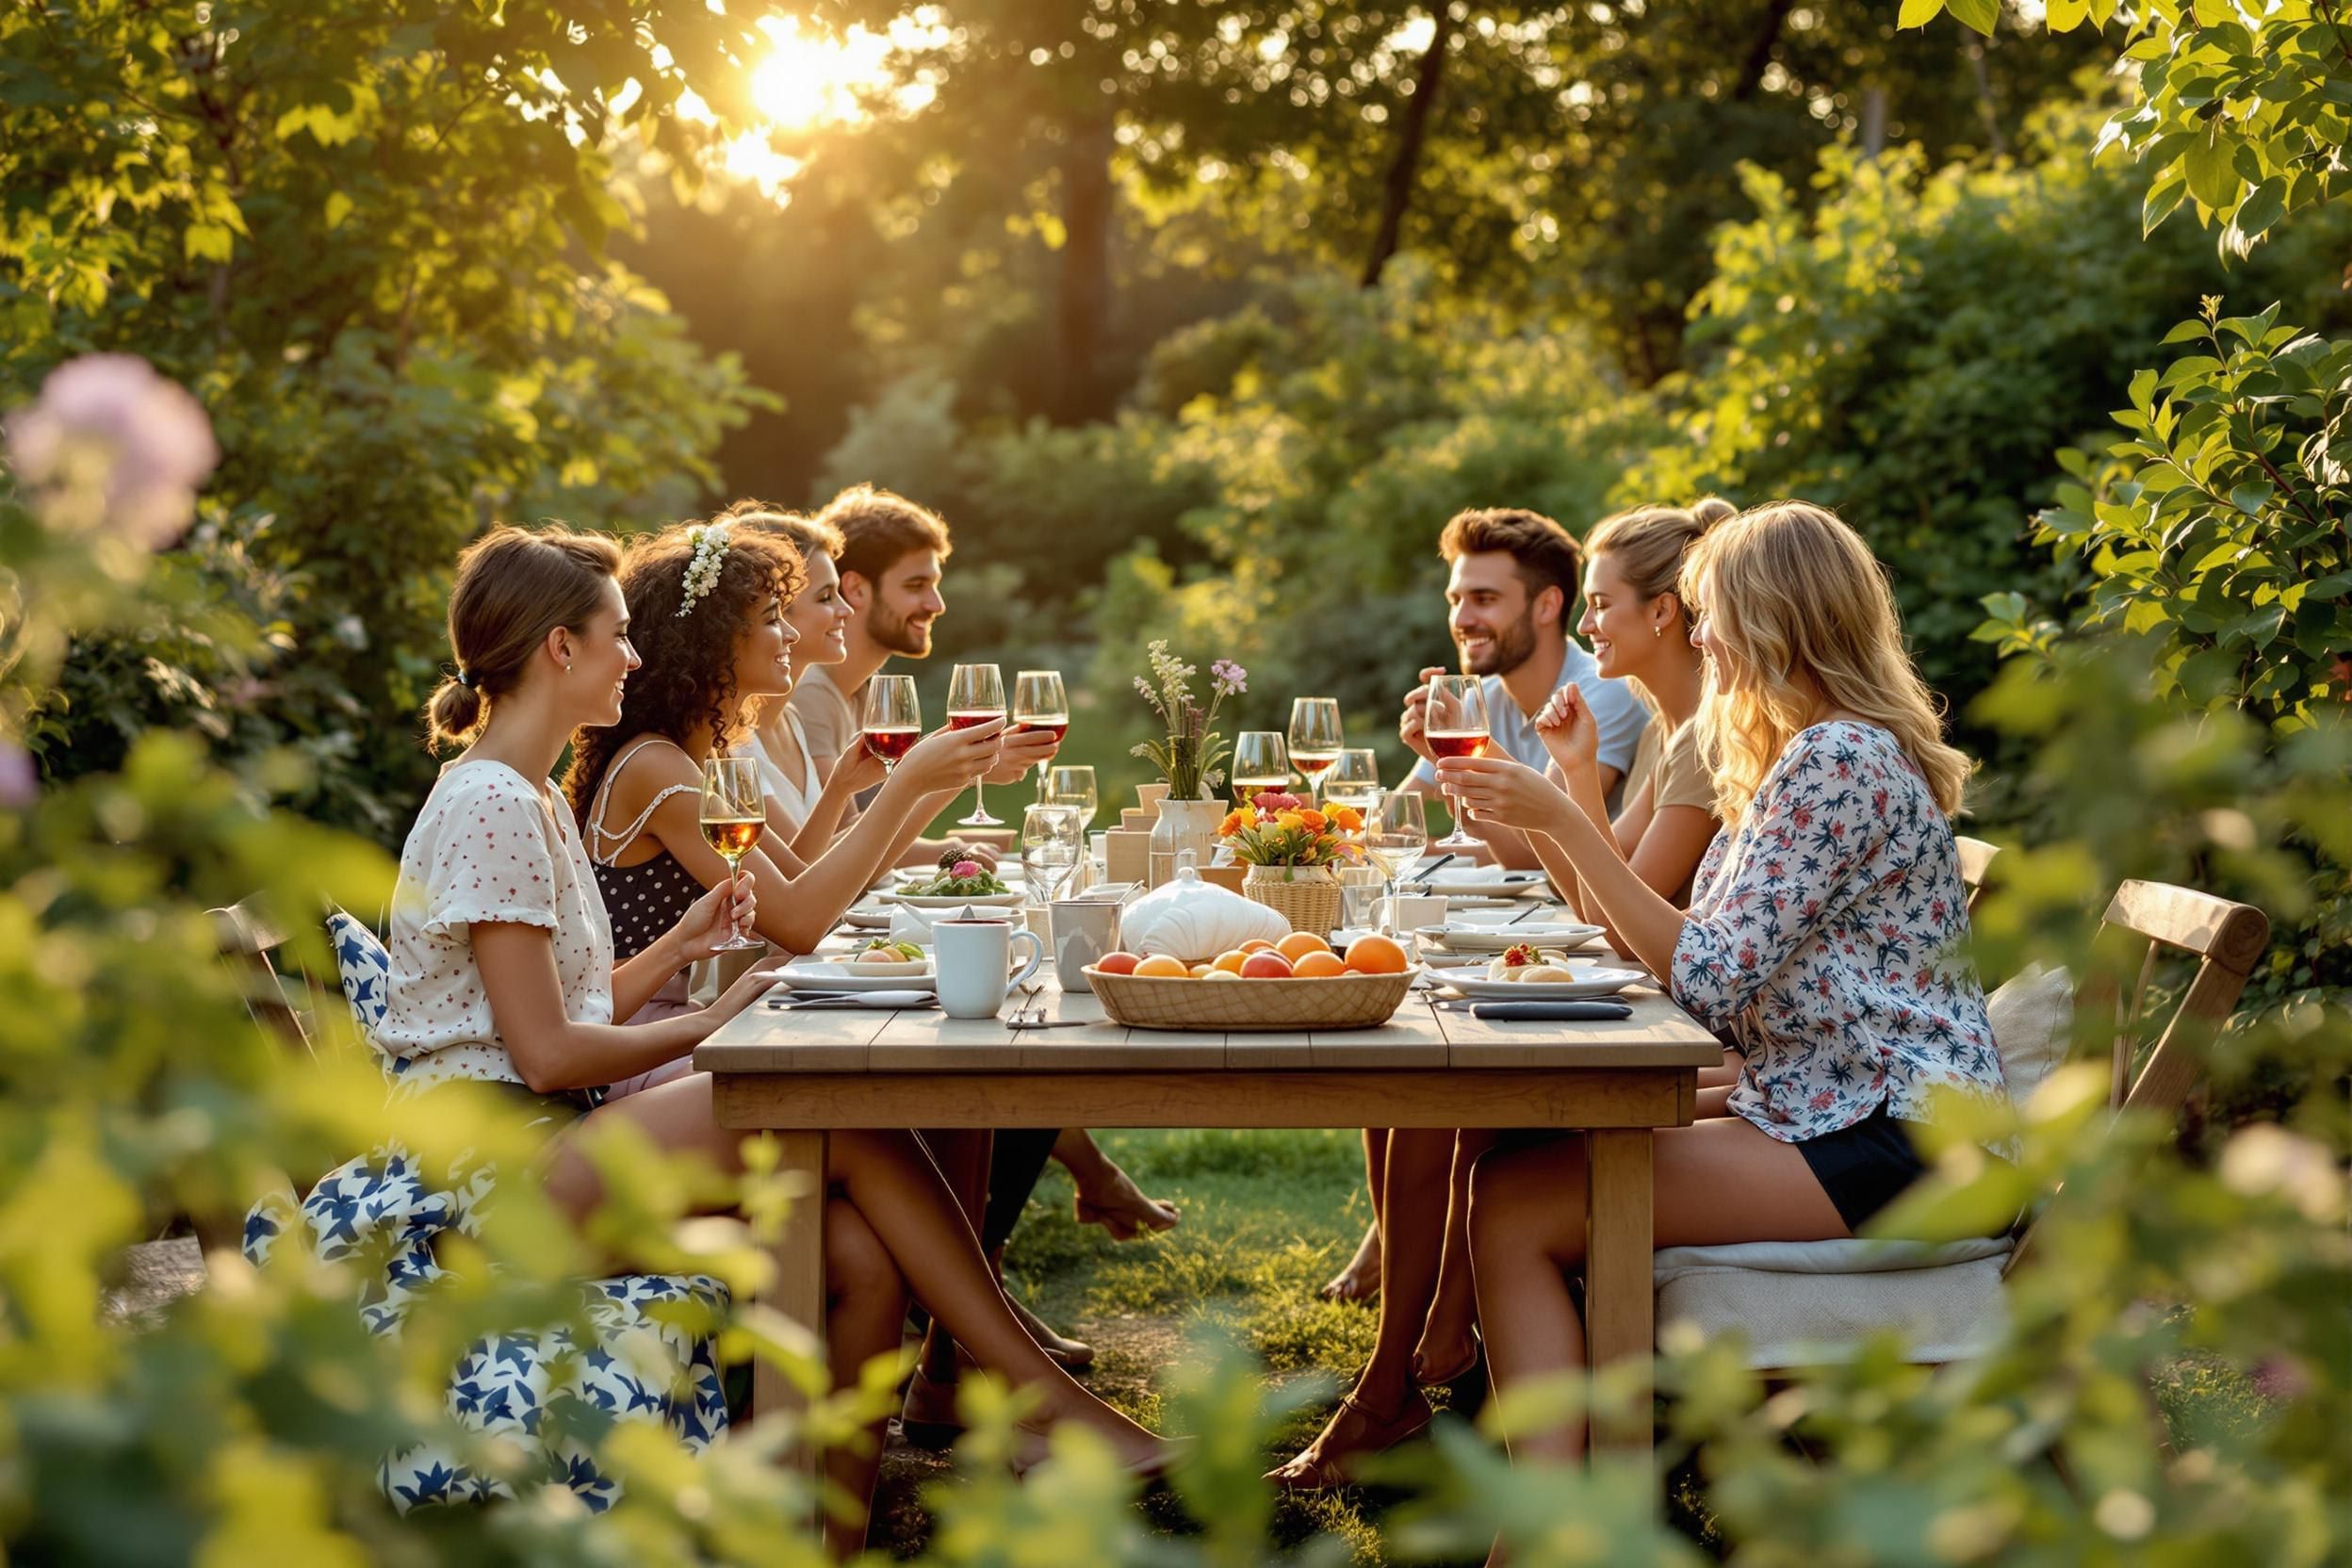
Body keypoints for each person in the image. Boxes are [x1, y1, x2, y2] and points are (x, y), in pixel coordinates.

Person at [389, 523, 1171, 1556]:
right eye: (618, 636)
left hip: (549, 1137)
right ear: (558, 649)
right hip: (491, 1173)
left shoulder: (523, 789)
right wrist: (714, 1019)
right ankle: (1038, 1406)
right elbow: (543, 1055)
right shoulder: (493, 799)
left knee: (856, 1254)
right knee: (841, 1116)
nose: (636, 654)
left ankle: (806, 1541)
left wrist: (676, 947)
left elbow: (572, 1004)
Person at [1435, 500, 2009, 1489]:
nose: (1698, 635)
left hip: (1899, 1137)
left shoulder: (1835, 761)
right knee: (1516, 1156)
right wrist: (1575, 785)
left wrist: (1564, 825)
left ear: (1771, 618)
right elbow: (1686, 955)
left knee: (1517, 1204)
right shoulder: (1812, 752)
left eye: (1710, 614)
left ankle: (1555, 1530)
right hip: (1834, 1099)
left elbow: (1699, 978)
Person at [1319, 508, 1651, 1303]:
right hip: (1528, 933)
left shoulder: (1603, 698)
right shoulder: (1482, 694)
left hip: (1585, 955)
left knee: (1413, 1043)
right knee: (1388, 1039)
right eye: (1456, 597)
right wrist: (1327, 832)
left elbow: (1541, 854)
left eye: (1484, 598)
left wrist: (1462, 759)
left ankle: (1422, 1292)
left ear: (1546, 606)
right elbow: (1397, 821)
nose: (1463, 617)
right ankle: (1407, 1265)